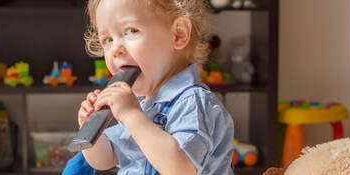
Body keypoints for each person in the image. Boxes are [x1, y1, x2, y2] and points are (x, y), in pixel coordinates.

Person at [77, 0, 234, 174]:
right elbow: (106, 159)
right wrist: (92, 133)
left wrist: (132, 116)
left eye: (131, 31)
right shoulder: (140, 103)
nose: (115, 49)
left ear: (178, 34)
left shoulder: (194, 102)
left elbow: (181, 169)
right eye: (107, 40)